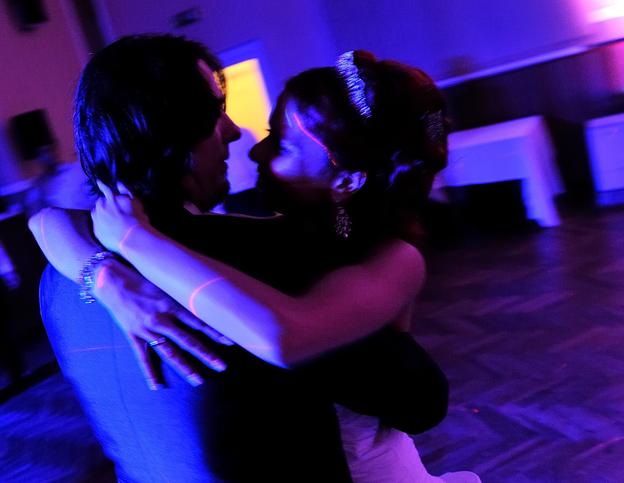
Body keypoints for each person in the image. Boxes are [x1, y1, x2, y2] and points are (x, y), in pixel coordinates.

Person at [32, 35, 478, 481]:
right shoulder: (262, 257)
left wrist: (101, 264)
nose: (236, 134)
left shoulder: (57, 279)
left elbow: (48, 221)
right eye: (215, 113)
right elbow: (419, 398)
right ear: (168, 133)